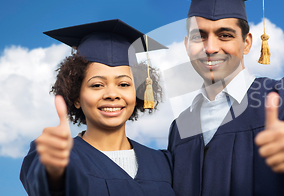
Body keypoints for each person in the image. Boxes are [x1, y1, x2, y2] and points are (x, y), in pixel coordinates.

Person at [159, 0, 284, 195]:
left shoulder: (281, 96)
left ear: (246, 43)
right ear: (187, 45)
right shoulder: (180, 127)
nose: (210, 48)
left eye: (224, 35)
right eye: (199, 36)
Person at [19, 19, 175, 196]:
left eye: (123, 84)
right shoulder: (61, 156)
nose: (112, 94)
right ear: (76, 97)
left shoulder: (163, 163)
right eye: (97, 85)